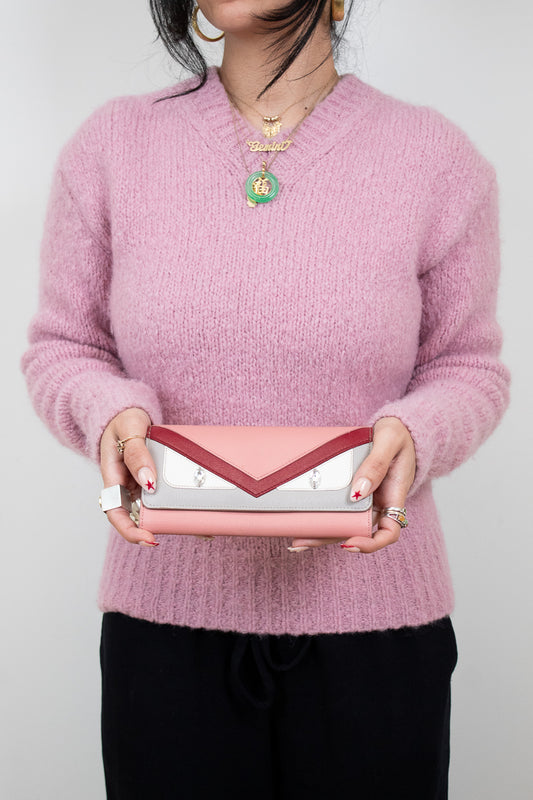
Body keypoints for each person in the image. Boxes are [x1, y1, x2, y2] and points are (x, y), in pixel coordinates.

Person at [21, 1, 510, 797]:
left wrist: (414, 436)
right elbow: (65, 348)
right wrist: (107, 412)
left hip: (376, 631)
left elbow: (467, 367)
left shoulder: (435, 158)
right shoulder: (112, 146)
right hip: (163, 625)